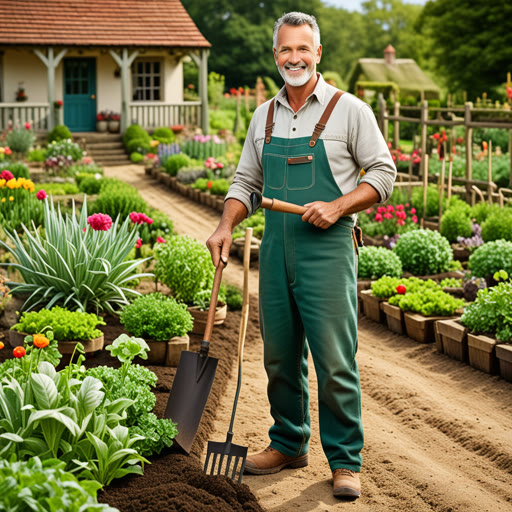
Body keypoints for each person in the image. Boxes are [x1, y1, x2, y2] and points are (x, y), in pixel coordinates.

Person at [206, 11, 396, 499]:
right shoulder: (262, 115)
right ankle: (289, 442)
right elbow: (247, 182)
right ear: (276, 56)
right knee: (280, 356)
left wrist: (337, 205)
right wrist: (226, 224)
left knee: (335, 360)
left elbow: (382, 173)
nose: (295, 57)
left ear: (317, 54)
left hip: (328, 252)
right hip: (276, 250)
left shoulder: (349, 110)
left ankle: (345, 460)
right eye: (285, 49)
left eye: (303, 49)